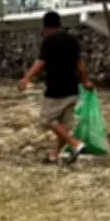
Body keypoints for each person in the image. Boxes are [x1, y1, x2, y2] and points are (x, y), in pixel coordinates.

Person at [17, 11, 93, 164]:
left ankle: (75, 144)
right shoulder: (72, 40)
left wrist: (26, 78)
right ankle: (53, 155)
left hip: (56, 90)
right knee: (63, 127)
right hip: (73, 89)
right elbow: (80, 64)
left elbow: (40, 63)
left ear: (45, 26)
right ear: (59, 24)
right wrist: (85, 81)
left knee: (46, 120)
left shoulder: (49, 41)